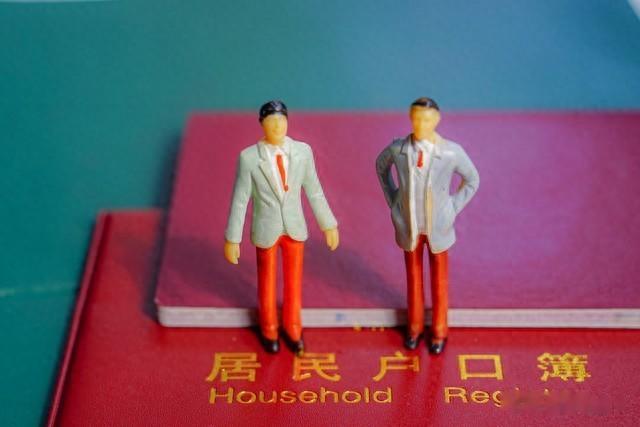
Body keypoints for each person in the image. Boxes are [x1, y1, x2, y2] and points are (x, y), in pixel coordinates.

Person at [224, 100, 339, 354]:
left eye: (281, 120)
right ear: (261, 124)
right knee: (267, 283)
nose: (277, 126)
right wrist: (233, 238)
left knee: (294, 283)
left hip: (294, 228)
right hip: (266, 229)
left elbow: (314, 190)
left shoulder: (303, 152)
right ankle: (269, 329)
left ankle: (293, 328)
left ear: (288, 121)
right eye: (271, 121)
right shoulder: (249, 158)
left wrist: (328, 224)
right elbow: (240, 200)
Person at [375, 97, 479, 354]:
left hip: (438, 227)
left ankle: (439, 331)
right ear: (410, 118)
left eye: (427, 119)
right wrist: (394, 201)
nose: (421, 124)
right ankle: (414, 327)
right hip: (409, 226)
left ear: (437, 120)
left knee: (439, 282)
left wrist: (452, 208)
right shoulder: (399, 149)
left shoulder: (451, 152)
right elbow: (381, 167)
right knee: (413, 280)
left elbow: (472, 179)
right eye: (417, 118)